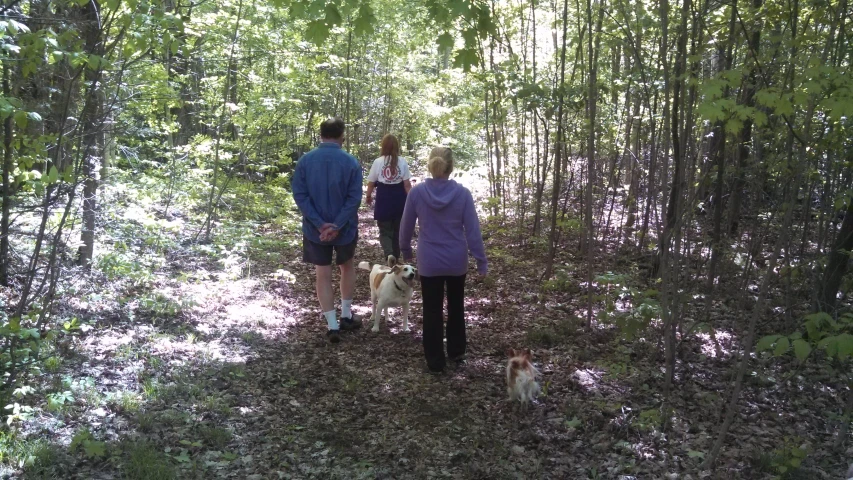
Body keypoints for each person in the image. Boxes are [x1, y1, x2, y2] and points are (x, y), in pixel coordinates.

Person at [399, 147, 488, 373]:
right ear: (451, 167)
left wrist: (405, 250)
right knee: (456, 306)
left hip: (429, 261)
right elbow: (473, 230)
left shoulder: (417, 193)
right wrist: (480, 260)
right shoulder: (463, 194)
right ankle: (457, 352)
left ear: (431, 165)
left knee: (431, 310)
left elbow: (405, 226)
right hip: (456, 260)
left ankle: (435, 361)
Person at [292, 117, 363, 343]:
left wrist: (320, 224)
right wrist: (336, 225)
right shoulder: (351, 162)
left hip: (315, 230)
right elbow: (354, 199)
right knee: (346, 266)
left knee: (322, 274)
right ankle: (345, 315)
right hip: (345, 229)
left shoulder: (305, 161)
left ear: (320, 135)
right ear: (342, 135)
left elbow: (300, 196)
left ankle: (332, 326)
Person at [365, 134, 412, 259]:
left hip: (383, 199)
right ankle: (395, 259)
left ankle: (389, 254)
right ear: (397, 146)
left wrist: (368, 196)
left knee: (385, 231)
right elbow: (407, 185)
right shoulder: (402, 161)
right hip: (399, 199)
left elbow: (371, 183)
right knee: (397, 231)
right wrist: (411, 200)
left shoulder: (378, 161)